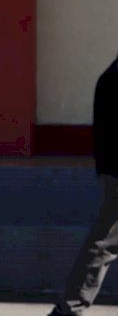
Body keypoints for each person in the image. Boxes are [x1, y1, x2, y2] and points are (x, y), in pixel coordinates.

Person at [49, 56, 118, 315]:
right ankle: (69, 308)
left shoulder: (110, 74)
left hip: (111, 170)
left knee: (105, 242)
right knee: (105, 243)